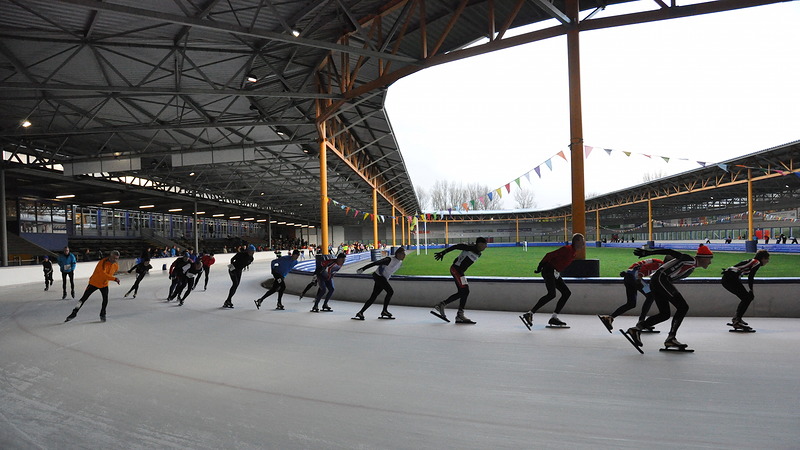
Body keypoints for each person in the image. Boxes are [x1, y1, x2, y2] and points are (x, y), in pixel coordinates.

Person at [625, 244, 714, 349]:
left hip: (657, 282)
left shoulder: (690, 268)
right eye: (709, 259)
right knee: (683, 307)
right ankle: (671, 338)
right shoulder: (689, 259)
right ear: (703, 258)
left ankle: (636, 329)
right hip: (660, 280)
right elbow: (671, 251)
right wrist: (649, 253)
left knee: (664, 314)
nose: (710, 262)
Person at [520, 233, 586, 329]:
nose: (584, 242)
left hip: (554, 272)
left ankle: (554, 318)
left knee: (566, 293)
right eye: (583, 240)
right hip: (549, 270)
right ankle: (529, 314)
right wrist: (540, 266)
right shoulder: (567, 249)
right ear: (577, 241)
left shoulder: (573, 252)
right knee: (551, 294)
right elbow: (549, 255)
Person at [430, 237, 489, 324]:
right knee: (465, 290)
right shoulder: (469, 247)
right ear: (480, 244)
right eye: (485, 245)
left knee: (464, 292)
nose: (486, 247)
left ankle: (448, 308)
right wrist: (443, 252)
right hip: (456, 270)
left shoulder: (479, 253)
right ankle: (456, 313)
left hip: (460, 272)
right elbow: (456, 246)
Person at [598, 257, 664, 333]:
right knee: (651, 295)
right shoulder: (660, 265)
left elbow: (638, 266)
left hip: (629, 277)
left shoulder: (655, 261)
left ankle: (609, 318)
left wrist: (628, 272)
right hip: (636, 278)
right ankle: (641, 322)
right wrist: (639, 277)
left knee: (631, 303)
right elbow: (644, 269)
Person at [65, 250, 120, 322]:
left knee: (105, 299)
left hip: (104, 284)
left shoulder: (116, 266)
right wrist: (114, 279)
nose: (115, 260)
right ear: (110, 256)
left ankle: (102, 314)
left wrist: (112, 278)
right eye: (113, 258)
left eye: (116, 258)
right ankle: (74, 312)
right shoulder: (102, 263)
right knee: (83, 299)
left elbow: (110, 274)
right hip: (94, 283)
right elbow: (103, 274)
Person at [352, 246, 406, 320]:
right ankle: (384, 311)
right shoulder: (389, 259)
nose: (404, 255)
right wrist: (363, 269)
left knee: (373, 296)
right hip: (378, 276)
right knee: (390, 292)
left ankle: (360, 312)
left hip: (382, 278)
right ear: (398, 254)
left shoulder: (399, 262)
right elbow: (376, 263)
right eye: (403, 253)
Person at [722, 249, 770, 330]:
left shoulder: (752, 261)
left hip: (728, 278)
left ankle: (737, 319)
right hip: (731, 278)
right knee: (747, 298)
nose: (768, 261)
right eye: (767, 259)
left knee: (747, 298)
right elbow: (751, 277)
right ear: (762, 258)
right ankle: (737, 320)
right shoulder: (756, 262)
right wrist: (751, 290)